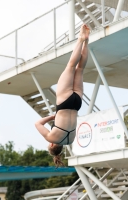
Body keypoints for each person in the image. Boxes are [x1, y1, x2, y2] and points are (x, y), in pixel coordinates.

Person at [35, 24, 90, 167]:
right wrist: (53, 117)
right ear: (52, 144)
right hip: (64, 103)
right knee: (71, 67)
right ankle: (80, 39)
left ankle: (86, 41)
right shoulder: (51, 137)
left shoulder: (70, 140)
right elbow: (37, 123)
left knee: (81, 69)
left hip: (76, 104)